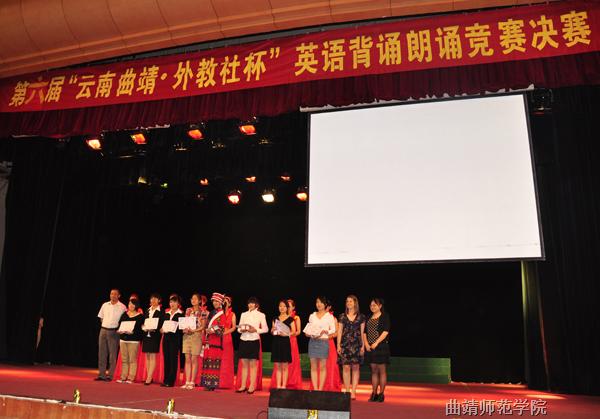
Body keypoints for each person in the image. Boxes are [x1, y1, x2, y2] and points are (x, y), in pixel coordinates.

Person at [236, 297, 268, 394]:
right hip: (244, 339)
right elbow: (239, 328)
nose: (250, 305)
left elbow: (266, 329)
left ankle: (252, 386)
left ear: (256, 304)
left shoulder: (261, 315)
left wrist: (255, 330)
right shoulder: (243, 314)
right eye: (249, 303)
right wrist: (241, 330)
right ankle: (243, 386)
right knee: (244, 365)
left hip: (254, 340)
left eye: (252, 303)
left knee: (253, 365)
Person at [337, 295, 366, 399]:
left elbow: (362, 333)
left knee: (355, 367)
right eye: (347, 301)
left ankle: (353, 391)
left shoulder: (361, 317)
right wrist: (338, 345)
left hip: (357, 345)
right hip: (344, 345)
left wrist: (363, 346)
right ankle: (347, 390)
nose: (348, 303)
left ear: (355, 303)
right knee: (345, 367)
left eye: (350, 301)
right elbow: (339, 331)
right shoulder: (342, 316)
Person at [305, 296, 336, 391]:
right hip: (313, 342)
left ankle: (320, 389)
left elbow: (333, 330)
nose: (318, 304)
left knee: (322, 367)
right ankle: (315, 389)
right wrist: (309, 333)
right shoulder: (312, 316)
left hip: (323, 342)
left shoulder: (329, 316)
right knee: (313, 367)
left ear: (325, 304)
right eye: (317, 302)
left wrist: (326, 331)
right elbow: (308, 329)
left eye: (321, 302)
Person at [363, 298, 391, 402]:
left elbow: (386, 331)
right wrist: (366, 344)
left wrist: (376, 342)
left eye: (375, 305)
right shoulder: (368, 317)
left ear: (380, 306)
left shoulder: (384, 316)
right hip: (370, 347)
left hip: (381, 346)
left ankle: (381, 394)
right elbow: (364, 332)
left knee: (382, 371)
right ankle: (374, 393)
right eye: (371, 305)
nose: (372, 307)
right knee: (374, 370)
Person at [96, 289, 126, 381]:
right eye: (111, 294)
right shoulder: (105, 305)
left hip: (114, 331)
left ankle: (111, 375)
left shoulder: (122, 307)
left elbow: (124, 320)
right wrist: (105, 325)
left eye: (115, 294)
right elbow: (101, 318)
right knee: (102, 353)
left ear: (119, 296)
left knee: (112, 354)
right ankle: (101, 374)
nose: (113, 295)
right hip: (103, 330)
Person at [200, 292, 227, 390]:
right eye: (214, 301)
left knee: (214, 363)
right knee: (207, 362)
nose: (215, 303)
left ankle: (211, 385)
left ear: (220, 302)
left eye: (217, 301)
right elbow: (207, 325)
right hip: (208, 341)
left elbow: (222, 330)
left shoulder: (222, 314)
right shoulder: (211, 313)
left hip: (216, 342)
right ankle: (206, 383)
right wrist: (206, 329)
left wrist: (213, 330)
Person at [116, 297, 144, 383]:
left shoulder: (140, 316)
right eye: (129, 304)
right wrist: (119, 330)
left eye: (133, 304)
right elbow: (119, 325)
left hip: (133, 341)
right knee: (124, 360)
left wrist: (133, 332)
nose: (131, 305)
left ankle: (131, 378)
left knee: (132, 360)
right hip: (123, 340)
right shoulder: (124, 314)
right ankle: (123, 377)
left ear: (136, 305)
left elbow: (141, 330)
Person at [181, 293, 206, 389]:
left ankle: (192, 382)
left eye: (195, 299)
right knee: (187, 358)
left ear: (199, 301)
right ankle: (187, 381)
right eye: (192, 299)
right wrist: (184, 328)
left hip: (196, 336)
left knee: (194, 359)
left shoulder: (203, 311)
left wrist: (194, 330)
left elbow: (203, 326)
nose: (193, 300)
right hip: (187, 336)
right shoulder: (188, 310)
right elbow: (184, 322)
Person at [270, 300, 296, 389]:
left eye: (284, 306)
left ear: (287, 308)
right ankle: (278, 386)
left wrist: (286, 334)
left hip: (285, 343)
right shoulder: (275, 318)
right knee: (278, 366)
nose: (282, 308)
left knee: (285, 366)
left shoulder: (290, 319)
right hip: (276, 342)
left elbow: (294, 331)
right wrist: (272, 330)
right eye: (280, 306)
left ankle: (283, 386)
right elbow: (273, 331)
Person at [161, 294, 183, 387]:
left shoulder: (181, 314)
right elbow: (162, 325)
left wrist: (174, 328)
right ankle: (165, 380)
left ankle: (171, 381)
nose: (172, 304)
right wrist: (161, 329)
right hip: (166, 339)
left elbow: (181, 329)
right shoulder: (166, 314)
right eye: (171, 302)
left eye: (174, 302)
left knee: (173, 360)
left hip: (174, 339)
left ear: (178, 304)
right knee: (166, 359)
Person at [141, 293, 163, 385]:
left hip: (155, 336)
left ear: (159, 300)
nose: (153, 300)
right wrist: (143, 327)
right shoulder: (147, 310)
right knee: (147, 356)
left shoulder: (161, 312)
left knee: (153, 356)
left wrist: (155, 329)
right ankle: (148, 376)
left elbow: (161, 324)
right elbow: (143, 323)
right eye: (152, 299)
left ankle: (149, 377)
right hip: (146, 335)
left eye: (155, 299)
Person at [219, 295, 236, 389]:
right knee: (219, 359)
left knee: (226, 360)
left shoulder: (232, 314)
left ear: (229, 304)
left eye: (226, 302)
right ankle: (217, 382)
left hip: (227, 338)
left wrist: (225, 332)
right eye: (223, 301)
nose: (224, 303)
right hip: (218, 337)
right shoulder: (219, 313)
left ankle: (226, 383)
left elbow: (234, 327)